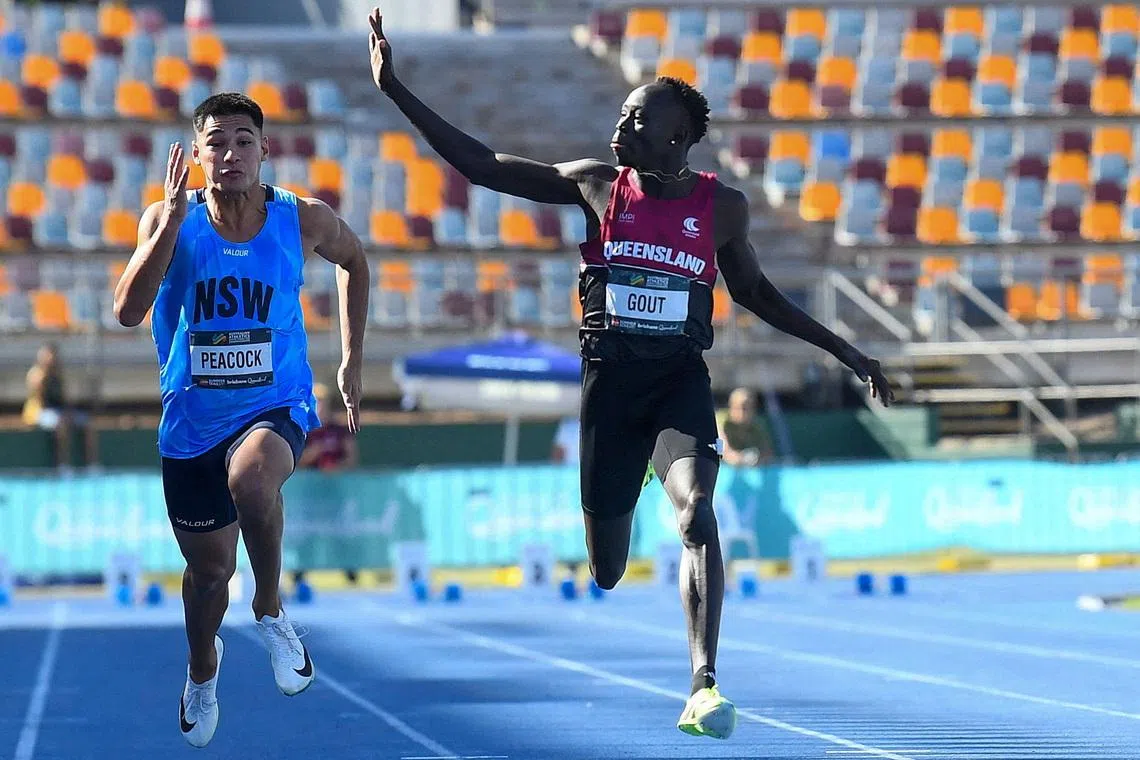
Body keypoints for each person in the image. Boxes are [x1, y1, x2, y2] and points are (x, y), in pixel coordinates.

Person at [367, 6, 892, 741]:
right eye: (621, 114)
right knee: (607, 569)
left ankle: (703, 685)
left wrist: (850, 353)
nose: (621, 128)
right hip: (609, 391)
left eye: (638, 120)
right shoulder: (594, 187)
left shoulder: (724, 211)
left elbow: (761, 297)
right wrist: (394, 88)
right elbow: (483, 166)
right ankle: (636, 475)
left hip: (677, 383)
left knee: (695, 514)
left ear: (677, 136)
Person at [112, 92, 369, 748]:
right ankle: (203, 669)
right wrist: (169, 221)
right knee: (207, 578)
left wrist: (351, 360)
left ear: (264, 150)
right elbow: (127, 310)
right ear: (196, 155)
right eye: (216, 142)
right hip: (192, 421)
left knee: (254, 482)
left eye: (243, 140)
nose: (230, 153)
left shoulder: (300, 218)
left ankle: (272, 611)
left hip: (274, 403)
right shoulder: (168, 219)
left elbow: (356, 262)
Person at [297, 382, 359, 472]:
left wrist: (338, 467)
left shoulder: (339, 431)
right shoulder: (302, 431)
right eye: (317, 402)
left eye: (323, 401)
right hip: (310, 479)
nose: (321, 406)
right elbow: (295, 463)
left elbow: (351, 458)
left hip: (337, 480)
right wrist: (313, 453)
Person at [718, 387, 773, 467]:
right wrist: (742, 459)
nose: (742, 412)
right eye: (737, 407)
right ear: (730, 407)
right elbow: (722, 451)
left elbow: (768, 453)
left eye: (747, 408)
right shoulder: (720, 421)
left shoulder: (756, 425)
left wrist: (756, 458)